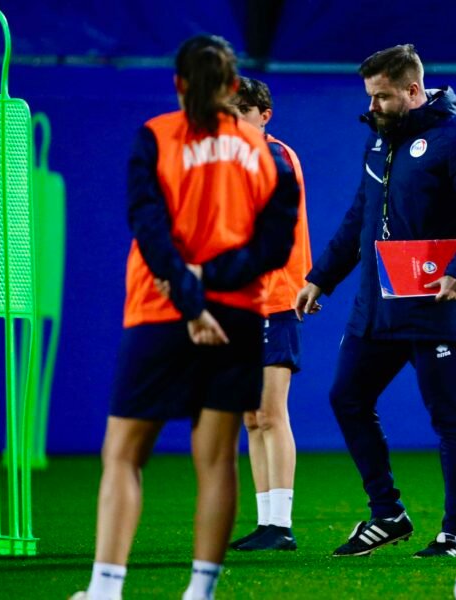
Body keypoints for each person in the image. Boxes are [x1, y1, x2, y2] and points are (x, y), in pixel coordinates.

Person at [73, 35, 298, 600]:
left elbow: (149, 229)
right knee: (218, 457)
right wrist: (218, 288)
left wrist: (192, 296)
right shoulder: (266, 153)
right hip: (239, 316)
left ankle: (105, 589)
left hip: (159, 308)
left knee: (124, 455)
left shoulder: (155, 136)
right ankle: (201, 591)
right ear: (231, 87)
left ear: (178, 84)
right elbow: (275, 246)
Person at [294, 44, 456, 558]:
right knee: (347, 398)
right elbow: (359, 217)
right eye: (370, 96)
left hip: (436, 302)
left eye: (383, 96)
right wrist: (321, 278)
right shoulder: (380, 142)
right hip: (378, 305)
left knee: (449, 420)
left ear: (412, 90)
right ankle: (387, 514)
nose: (374, 105)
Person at [224, 77, 312, 552]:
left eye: (243, 110)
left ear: (264, 114)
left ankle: (281, 524)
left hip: (273, 297)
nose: (233, 120)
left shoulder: (274, 156)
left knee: (271, 413)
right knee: (252, 417)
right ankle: (268, 523)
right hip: (242, 301)